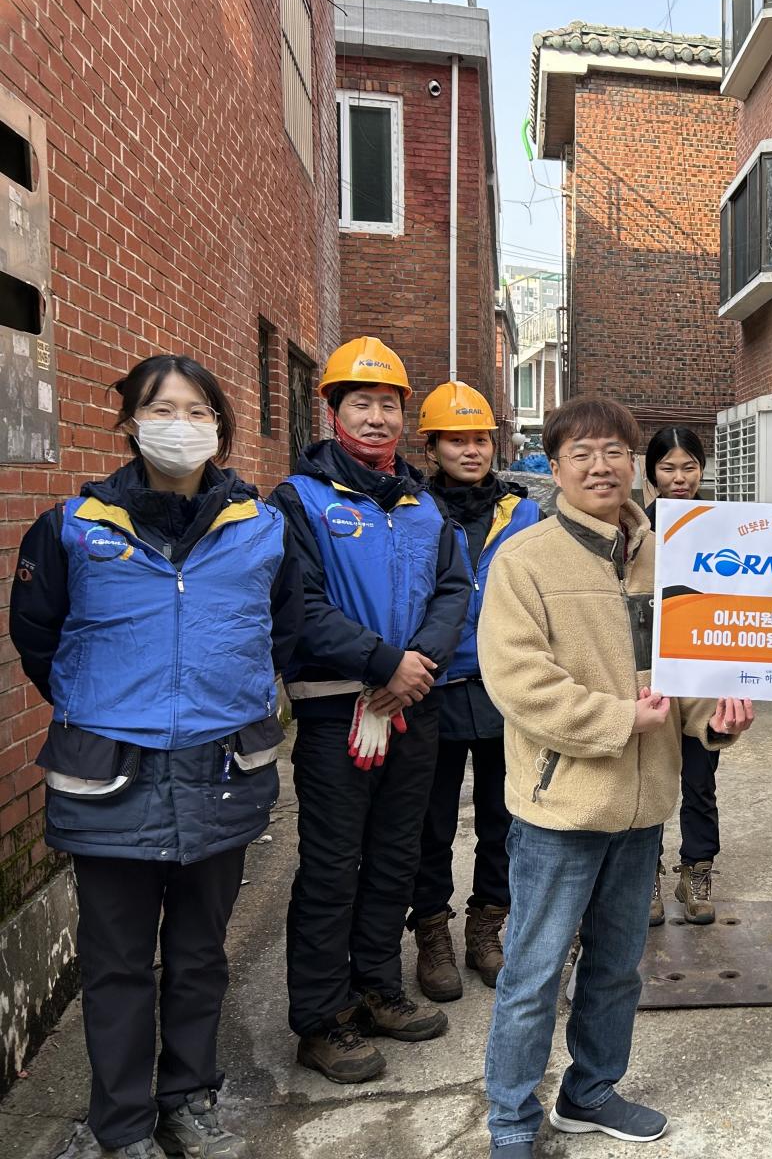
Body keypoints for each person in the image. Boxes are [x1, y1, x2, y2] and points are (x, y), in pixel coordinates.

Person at [9, 355, 301, 1159]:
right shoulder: (72, 528)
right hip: (109, 775)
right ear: (131, 423)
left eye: (198, 409)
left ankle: (189, 1099)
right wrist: (115, 700)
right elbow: (39, 638)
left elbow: (281, 632)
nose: (181, 424)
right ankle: (123, 1125)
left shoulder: (261, 529)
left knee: (201, 956)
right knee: (117, 964)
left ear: (220, 426)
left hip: (221, 769)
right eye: (161, 408)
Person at [477, 395, 754, 1156]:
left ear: (635, 463)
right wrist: (616, 718)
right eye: (581, 454)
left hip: (643, 806)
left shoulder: (671, 556)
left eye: (614, 452)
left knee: (618, 966)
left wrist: (715, 718)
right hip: (562, 806)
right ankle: (511, 1121)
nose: (600, 467)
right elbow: (518, 681)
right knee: (534, 973)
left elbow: (690, 667)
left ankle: (590, 1092)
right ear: (554, 468)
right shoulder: (524, 561)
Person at [271, 337, 471, 1084]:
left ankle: (378, 987)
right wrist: (383, 663)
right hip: (335, 715)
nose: (377, 418)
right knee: (332, 867)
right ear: (333, 411)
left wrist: (417, 665)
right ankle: (322, 1018)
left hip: (415, 707)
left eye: (389, 404)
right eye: (362, 403)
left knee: (395, 857)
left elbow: (454, 591)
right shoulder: (299, 501)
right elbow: (298, 605)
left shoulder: (424, 506)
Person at [408, 381, 541, 1002]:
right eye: (456, 440)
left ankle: (487, 928)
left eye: (480, 439)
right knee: (430, 823)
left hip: (502, 686)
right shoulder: (410, 509)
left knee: (502, 818)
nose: (471, 450)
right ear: (431, 447)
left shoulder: (524, 512)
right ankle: (431, 932)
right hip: (428, 684)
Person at [642, 426, 722, 925]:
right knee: (650, 776)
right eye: (668, 467)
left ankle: (696, 869)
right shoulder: (634, 529)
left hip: (704, 671)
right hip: (649, 673)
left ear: (701, 470)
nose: (679, 477)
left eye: (689, 466)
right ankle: (646, 872)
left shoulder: (724, 526)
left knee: (700, 778)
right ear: (651, 473)